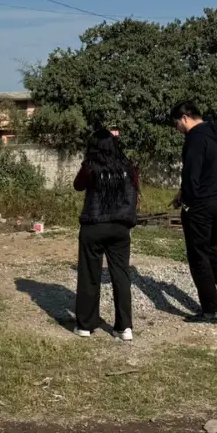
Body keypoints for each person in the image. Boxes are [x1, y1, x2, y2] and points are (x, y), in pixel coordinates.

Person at [170, 101, 217, 324]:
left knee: (198, 255)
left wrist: (187, 203)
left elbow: (192, 175)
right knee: (211, 251)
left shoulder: (195, 138)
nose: (177, 129)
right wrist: (181, 194)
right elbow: (207, 171)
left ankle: (210, 309)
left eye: (176, 124)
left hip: (200, 206)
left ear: (184, 118)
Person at [72, 127, 140, 341]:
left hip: (93, 226)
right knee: (121, 275)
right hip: (120, 227)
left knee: (89, 275)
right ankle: (124, 327)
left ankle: (85, 324)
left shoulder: (90, 167)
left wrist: (87, 165)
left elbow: (78, 186)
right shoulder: (128, 167)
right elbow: (135, 189)